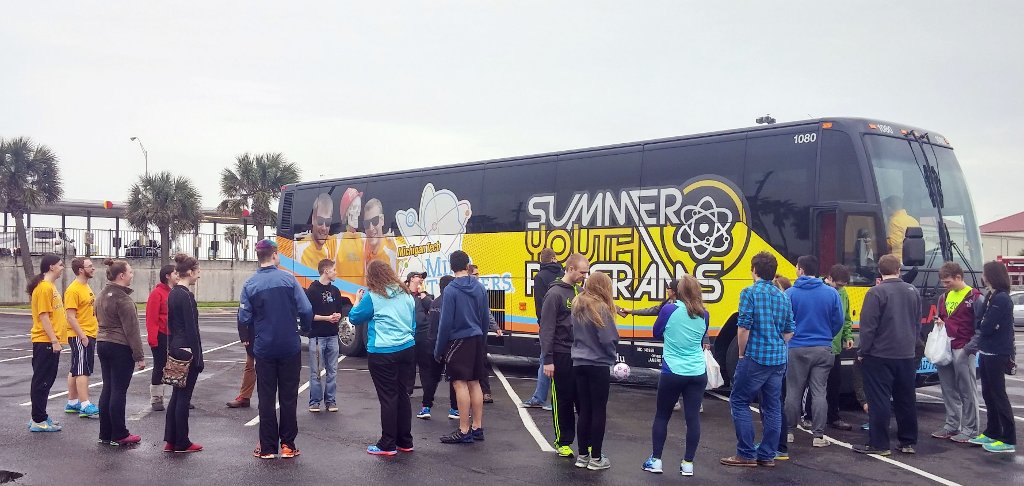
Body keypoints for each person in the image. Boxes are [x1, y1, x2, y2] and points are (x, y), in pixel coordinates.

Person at [239, 239, 313, 459]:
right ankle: (288, 445)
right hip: (290, 346)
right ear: (275, 255)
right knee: (289, 397)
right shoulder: (289, 280)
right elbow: (306, 309)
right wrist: (305, 329)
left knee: (266, 397)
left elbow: (244, 317)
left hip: (264, 348)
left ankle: (268, 447)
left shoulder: (249, 284)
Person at [720, 251, 794, 468]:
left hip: (755, 357)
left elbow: (743, 327)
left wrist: (742, 353)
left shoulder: (749, 293)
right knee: (772, 406)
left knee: (739, 400)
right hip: (779, 359)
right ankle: (767, 454)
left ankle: (745, 453)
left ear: (754, 270)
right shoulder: (783, 296)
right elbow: (789, 331)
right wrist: (776, 341)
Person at [853, 254, 921, 456]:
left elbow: (868, 327)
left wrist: (863, 351)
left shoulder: (876, 292)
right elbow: (916, 324)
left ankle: (880, 444)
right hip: (906, 354)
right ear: (899, 269)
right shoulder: (912, 291)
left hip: (880, 355)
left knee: (880, 399)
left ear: (879, 272)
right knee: (906, 398)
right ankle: (908, 441)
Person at [349, 260, 417, 455]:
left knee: (388, 397)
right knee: (402, 394)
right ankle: (405, 440)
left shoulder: (373, 296)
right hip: (406, 348)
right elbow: (412, 324)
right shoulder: (406, 293)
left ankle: (387, 443)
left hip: (383, 351)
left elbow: (354, 318)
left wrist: (357, 301)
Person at [644, 276, 709, 477]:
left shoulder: (669, 309)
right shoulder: (704, 314)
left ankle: (656, 460)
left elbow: (656, 332)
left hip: (673, 370)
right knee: (692, 419)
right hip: (697, 371)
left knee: (662, 415)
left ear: (678, 291)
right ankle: (688, 463)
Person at [783, 256, 843, 448]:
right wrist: (827, 336)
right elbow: (838, 321)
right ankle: (818, 436)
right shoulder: (831, 294)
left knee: (793, 391)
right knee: (819, 392)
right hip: (823, 348)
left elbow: (784, 322)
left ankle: (789, 432)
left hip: (796, 347)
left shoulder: (790, 294)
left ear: (800, 270)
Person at [435, 251, 491, 444]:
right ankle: (477, 427)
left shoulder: (450, 290)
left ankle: (464, 430)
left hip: (458, 340)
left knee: (460, 384)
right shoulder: (479, 287)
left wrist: (438, 349)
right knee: (475, 383)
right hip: (476, 338)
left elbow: (445, 324)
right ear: (468, 264)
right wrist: (482, 340)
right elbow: (485, 318)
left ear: (451, 266)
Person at [540, 253, 590, 458]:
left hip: (580, 355)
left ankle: (585, 444)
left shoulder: (579, 291)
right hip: (560, 355)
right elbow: (547, 329)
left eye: (586, 272)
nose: (585, 276)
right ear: (570, 269)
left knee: (582, 399)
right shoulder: (554, 294)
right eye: (582, 272)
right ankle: (563, 441)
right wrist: (548, 360)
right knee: (563, 399)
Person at [570, 271, 619, 471]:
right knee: (599, 410)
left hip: (579, 362)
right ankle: (596, 458)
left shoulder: (577, 303)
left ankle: (582, 456)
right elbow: (608, 339)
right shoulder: (601, 307)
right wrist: (612, 355)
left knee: (584, 411)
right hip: (598, 363)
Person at [95, 259, 145, 446]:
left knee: (107, 388)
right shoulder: (123, 299)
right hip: (119, 347)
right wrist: (139, 356)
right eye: (130, 272)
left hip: (102, 343)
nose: (132, 275)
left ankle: (105, 433)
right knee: (118, 390)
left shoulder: (101, 295)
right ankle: (120, 434)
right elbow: (131, 330)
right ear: (121, 275)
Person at [968, 262, 1017, 453]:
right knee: (988, 393)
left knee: (999, 394)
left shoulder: (1002, 298)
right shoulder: (991, 295)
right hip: (986, 350)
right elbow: (980, 322)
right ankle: (992, 431)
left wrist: (984, 323)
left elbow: (986, 326)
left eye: (985, 273)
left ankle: (1008, 439)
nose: (982, 276)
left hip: (998, 352)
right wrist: (984, 323)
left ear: (992, 275)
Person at [931, 262, 982, 443]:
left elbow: (981, 327)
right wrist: (939, 320)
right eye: (943, 282)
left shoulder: (975, 297)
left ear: (959, 277)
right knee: (948, 388)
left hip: (963, 347)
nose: (945, 285)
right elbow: (943, 317)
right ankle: (952, 425)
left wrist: (969, 349)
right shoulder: (944, 297)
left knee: (967, 390)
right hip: (946, 347)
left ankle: (971, 429)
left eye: (948, 281)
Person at [803, 264, 855, 432]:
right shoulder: (819, 290)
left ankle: (834, 416)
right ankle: (808, 416)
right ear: (829, 278)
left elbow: (846, 318)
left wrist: (847, 336)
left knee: (834, 383)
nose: (841, 288)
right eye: (838, 285)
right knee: (816, 383)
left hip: (835, 347)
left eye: (843, 285)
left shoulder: (843, 293)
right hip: (820, 345)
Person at [164, 254, 205, 453]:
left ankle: (171, 439)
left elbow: (171, 325)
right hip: (187, 349)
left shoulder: (173, 293)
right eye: (197, 272)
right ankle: (182, 441)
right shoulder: (186, 295)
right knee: (183, 398)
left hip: (176, 347)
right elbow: (192, 328)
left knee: (176, 395)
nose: (199, 276)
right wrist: (198, 357)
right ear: (189, 272)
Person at [27, 254, 68, 432]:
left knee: (46, 380)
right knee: (42, 381)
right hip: (45, 341)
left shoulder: (49, 286)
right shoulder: (44, 288)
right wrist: (53, 340)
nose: (62, 267)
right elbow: (43, 316)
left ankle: (41, 415)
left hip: (50, 341)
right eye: (60, 265)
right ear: (51, 267)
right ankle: (38, 420)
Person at [305, 258, 349, 413]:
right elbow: (309, 315)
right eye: (334, 270)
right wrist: (327, 318)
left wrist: (336, 316)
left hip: (332, 336)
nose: (336, 272)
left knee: (333, 371)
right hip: (317, 337)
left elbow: (338, 310)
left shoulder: (335, 291)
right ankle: (315, 402)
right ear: (326, 271)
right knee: (316, 371)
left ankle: (330, 401)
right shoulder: (312, 290)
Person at [523, 248, 562, 409]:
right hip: (565, 324)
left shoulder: (540, 277)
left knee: (546, 359)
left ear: (541, 260)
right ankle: (552, 398)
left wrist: (542, 323)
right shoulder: (562, 272)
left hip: (548, 324)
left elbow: (540, 303)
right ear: (554, 258)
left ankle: (541, 398)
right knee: (555, 361)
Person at [64, 257, 99, 419]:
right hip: (81, 335)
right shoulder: (73, 290)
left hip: (89, 333)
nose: (93, 268)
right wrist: (82, 336)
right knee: (83, 370)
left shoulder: (86, 286)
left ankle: (72, 402)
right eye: (89, 266)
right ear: (80, 270)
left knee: (75, 368)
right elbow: (70, 316)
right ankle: (85, 404)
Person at [419, 275, 457, 420]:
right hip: (447, 345)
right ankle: (454, 409)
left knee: (432, 378)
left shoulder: (434, 303)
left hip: (432, 344)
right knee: (454, 378)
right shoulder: (450, 303)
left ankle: (425, 407)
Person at [467, 263, 501, 403]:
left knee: (482, 363)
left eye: (478, 274)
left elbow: (486, 312)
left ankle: (485, 392)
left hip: (479, 334)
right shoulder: (462, 291)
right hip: (467, 334)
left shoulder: (480, 290)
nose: (478, 277)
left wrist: (495, 327)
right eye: (475, 274)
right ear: (468, 274)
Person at [146, 264, 176, 411]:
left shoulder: (175, 292)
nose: (177, 275)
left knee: (177, 365)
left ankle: (179, 396)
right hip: (161, 335)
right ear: (167, 276)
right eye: (174, 273)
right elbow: (151, 318)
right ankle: (156, 398)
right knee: (160, 366)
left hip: (174, 335)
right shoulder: (157, 293)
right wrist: (153, 340)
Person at [407, 271, 435, 400]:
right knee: (409, 364)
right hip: (409, 333)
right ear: (412, 279)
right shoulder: (404, 294)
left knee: (425, 365)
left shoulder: (425, 295)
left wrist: (424, 296)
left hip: (423, 333)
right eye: (419, 277)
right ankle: (408, 390)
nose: (421, 280)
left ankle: (427, 394)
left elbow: (433, 308)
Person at [300, 193, 338, 271]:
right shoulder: (301, 249)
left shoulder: (330, 246)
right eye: (320, 221)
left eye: (327, 222)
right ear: (313, 219)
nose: (324, 228)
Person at [363, 198, 398, 270]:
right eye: (366, 223)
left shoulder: (392, 250)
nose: (371, 228)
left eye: (375, 221)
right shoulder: (362, 247)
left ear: (382, 220)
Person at [883, 196, 919, 261]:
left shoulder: (894, 221)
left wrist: (878, 241)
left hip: (897, 261)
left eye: (884, 208)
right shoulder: (913, 220)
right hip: (912, 259)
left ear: (888, 208)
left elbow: (893, 243)